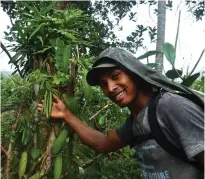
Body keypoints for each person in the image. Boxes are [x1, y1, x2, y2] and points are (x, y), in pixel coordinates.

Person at [38, 47, 204, 178]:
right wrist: (66, 114)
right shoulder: (136, 121)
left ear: (133, 73)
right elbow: (103, 143)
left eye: (116, 76)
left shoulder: (170, 107)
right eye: (104, 84)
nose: (110, 88)